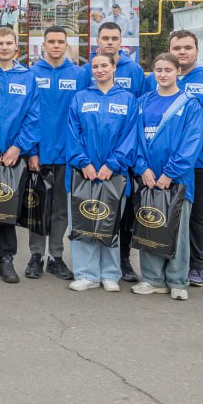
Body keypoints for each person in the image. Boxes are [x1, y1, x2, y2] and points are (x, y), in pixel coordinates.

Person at [143, 30, 203, 287]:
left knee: (197, 216)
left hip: (202, 162)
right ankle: (161, 266)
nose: (182, 52)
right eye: (177, 48)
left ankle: (195, 266)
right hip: (161, 165)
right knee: (160, 212)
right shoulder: (153, 80)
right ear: (169, 50)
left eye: (187, 47)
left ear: (196, 50)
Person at [132, 53, 203, 300]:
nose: (162, 74)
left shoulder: (189, 104)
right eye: (158, 70)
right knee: (149, 225)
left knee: (178, 231)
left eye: (168, 70)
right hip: (149, 178)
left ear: (178, 72)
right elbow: (135, 139)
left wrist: (170, 173)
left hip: (178, 180)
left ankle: (177, 280)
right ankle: (152, 279)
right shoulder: (142, 102)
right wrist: (142, 168)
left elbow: (191, 142)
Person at [66, 52, 138, 292]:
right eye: (95, 66)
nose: (99, 70)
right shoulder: (80, 98)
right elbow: (72, 134)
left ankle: (110, 274)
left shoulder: (128, 99)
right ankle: (86, 274)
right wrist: (83, 162)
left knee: (110, 222)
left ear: (114, 67)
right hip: (84, 173)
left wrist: (113, 164)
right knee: (83, 221)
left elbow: (131, 136)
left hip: (114, 174)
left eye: (104, 65)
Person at [0, 26, 40, 284]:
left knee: (9, 207)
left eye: (8, 43)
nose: (4, 47)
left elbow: (33, 116)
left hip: (14, 154)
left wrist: (19, 147)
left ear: (16, 47)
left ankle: (7, 259)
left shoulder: (28, 77)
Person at [27, 26, 82, 280]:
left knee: (61, 209)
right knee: (37, 208)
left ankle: (56, 257)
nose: (56, 46)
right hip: (39, 154)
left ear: (66, 45)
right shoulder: (31, 74)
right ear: (44, 45)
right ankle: (36, 256)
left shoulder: (79, 74)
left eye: (61, 41)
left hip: (68, 156)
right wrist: (32, 151)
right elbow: (27, 116)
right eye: (51, 41)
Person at [95, 21, 145, 281]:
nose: (110, 42)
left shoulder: (134, 70)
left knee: (125, 212)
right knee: (96, 207)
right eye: (105, 38)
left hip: (126, 154)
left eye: (114, 38)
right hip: (96, 154)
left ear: (121, 41)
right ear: (98, 41)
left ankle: (123, 260)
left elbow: (142, 108)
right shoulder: (90, 68)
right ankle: (95, 262)